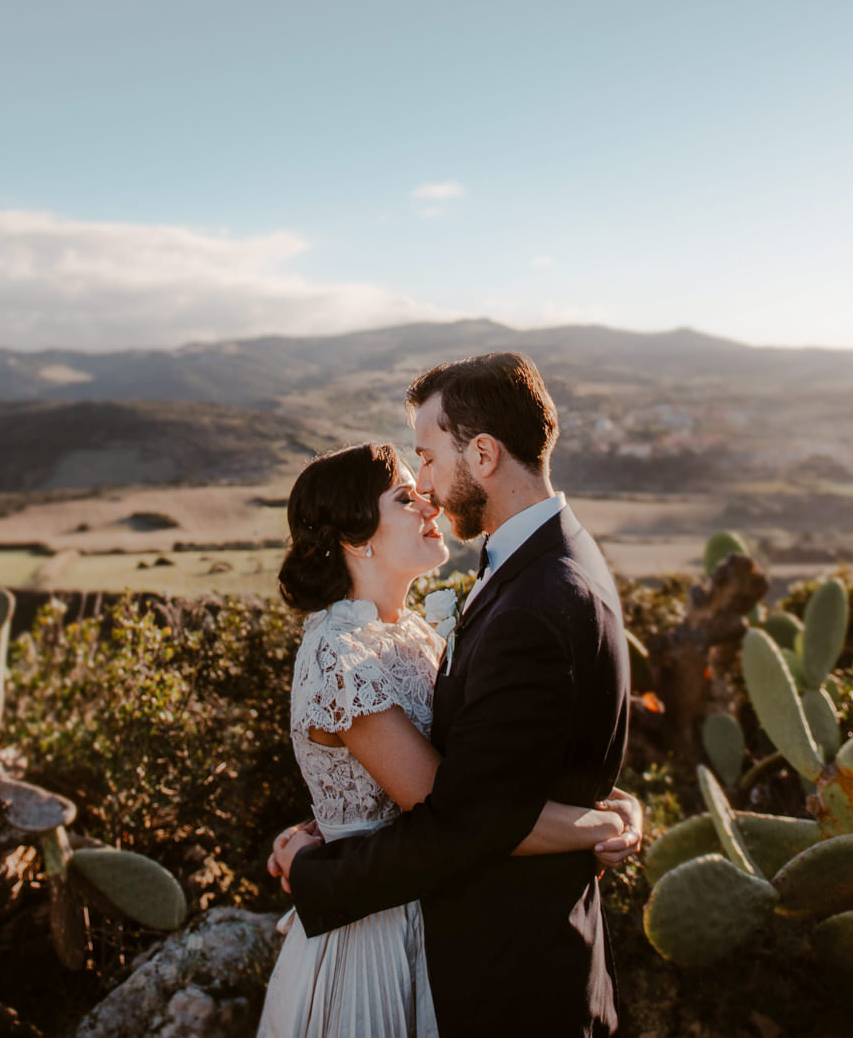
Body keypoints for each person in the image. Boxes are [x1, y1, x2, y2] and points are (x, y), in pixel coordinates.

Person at [271, 353, 637, 1036]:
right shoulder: (350, 648)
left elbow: (469, 805)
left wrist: (610, 814)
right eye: (406, 492)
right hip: (380, 937)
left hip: (477, 941)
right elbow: (463, 800)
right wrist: (600, 821)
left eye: (426, 464)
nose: (429, 494)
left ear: (485, 453)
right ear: (357, 539)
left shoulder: (505, 602)